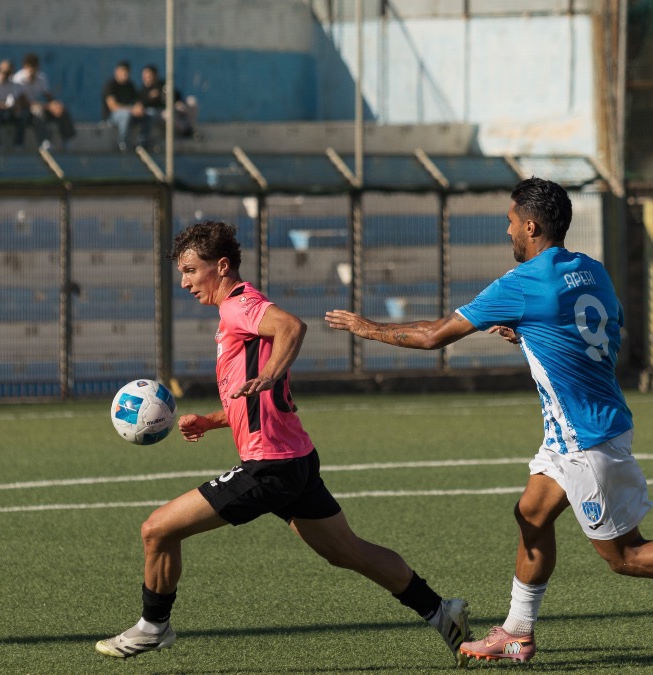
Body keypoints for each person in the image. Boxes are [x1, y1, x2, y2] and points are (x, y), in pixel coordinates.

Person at [325, 178, 653, 664]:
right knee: (531, 515)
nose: (506, 229)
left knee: (625, 557)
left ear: (531, 226)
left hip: (585, 439)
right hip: (579, 430)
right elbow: (604, 329)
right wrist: (535, 333)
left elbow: (432, 336)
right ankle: (517, 632)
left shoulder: (524, 283)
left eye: (511, 221)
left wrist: (367, 328)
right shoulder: (591, 270)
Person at [95, 221, 471, 666]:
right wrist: (214, 421)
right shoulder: (235, 311)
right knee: (348, 552)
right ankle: (440, 611)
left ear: (220, 266)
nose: (185, 282)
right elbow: (253, 396)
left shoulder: (240, 306)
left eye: (191, 270)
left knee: (156, 529)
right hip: (294, 459)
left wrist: (271, 373)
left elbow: (292, 326)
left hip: (270, 466)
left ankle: (153, 627)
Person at [12, 53, 76, 150]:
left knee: (61, 109)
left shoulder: (41, 77)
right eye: (30, 67)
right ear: (25, 67)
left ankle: (67, 139)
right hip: (22, 109)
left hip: (38, 106)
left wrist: (55, 104)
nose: (32, 71)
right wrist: (48, 106)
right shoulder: (18, 79)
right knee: (38, 112)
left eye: (35, 67)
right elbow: (25, 102)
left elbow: (48, 95)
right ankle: (44, 141)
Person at [139, 64, 200, 144]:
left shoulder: (162, 84)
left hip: (174, 108)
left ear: (155, 76)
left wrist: (176, 102)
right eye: (145, 77)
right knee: (168, 114)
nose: (147, 79)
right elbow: (143, 105)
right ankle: (186, 131)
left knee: (192, 101)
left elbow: (176, 94)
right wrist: (151, 98)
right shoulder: (143, 90)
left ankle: (192, 128)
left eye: (149, 76)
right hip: (161, 113)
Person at [101, 60, 147, 152]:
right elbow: (113, 106)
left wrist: (139, 108)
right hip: (112, 117)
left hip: (130, 114)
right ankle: (122, 143)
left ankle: (142, 141)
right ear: (116, 71)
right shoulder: (110, 85)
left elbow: (137, 100)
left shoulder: (130, 85)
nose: (125, 74)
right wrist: (131, 109)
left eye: (127, 71)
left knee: (150, 114)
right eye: (122, 71)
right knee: (126, 115)